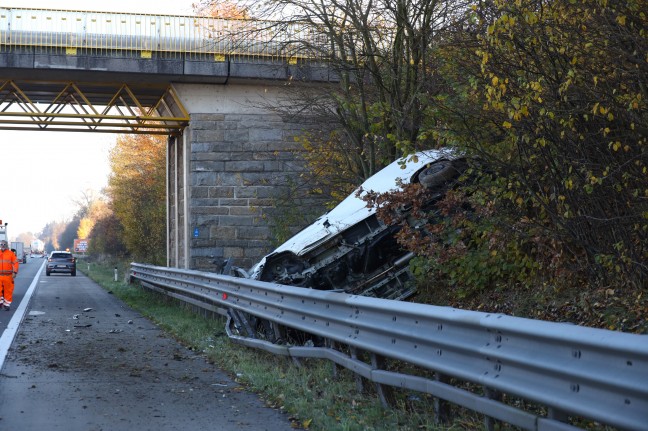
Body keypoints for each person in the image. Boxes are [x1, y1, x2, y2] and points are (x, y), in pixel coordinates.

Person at [0, 240, 19, 311]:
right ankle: (0, 302)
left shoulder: (11, 254)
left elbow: (15, 263)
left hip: (8, 276)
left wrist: (15, 272)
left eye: (4, 244)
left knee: (8, 291)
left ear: (7, 245)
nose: (3, 246)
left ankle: (6, 304)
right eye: (1, 244)